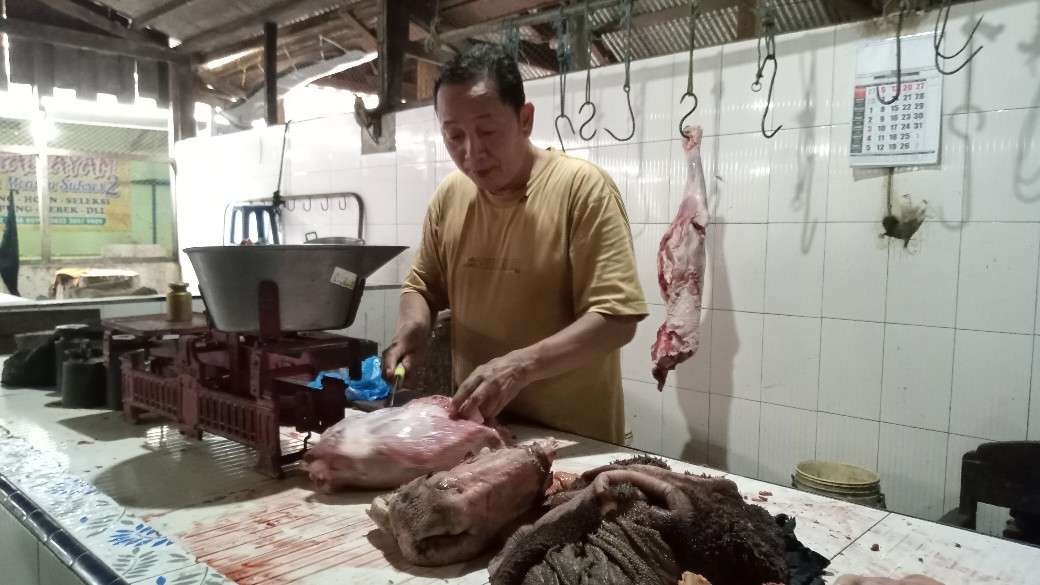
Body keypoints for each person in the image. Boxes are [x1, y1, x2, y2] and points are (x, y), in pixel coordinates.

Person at [382, 43, 647, 444]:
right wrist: (413, 326)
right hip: (479, 433)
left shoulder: (581, 189)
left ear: (525, 119)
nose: (472, 153)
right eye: (454, 136)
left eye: (487, 131)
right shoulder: (451, 196)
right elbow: (421, 285)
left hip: (572, 444)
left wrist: (520, 366)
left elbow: (616, 319)